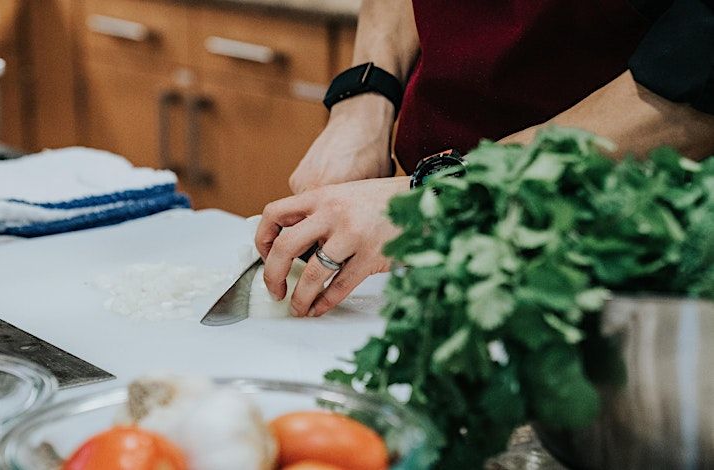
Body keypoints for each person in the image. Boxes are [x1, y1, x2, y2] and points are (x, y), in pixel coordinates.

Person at [256, 0, 714, 317]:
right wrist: (364, 98)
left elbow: (690, 95)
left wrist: (446, 194)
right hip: (418, 220)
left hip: (621, 255)